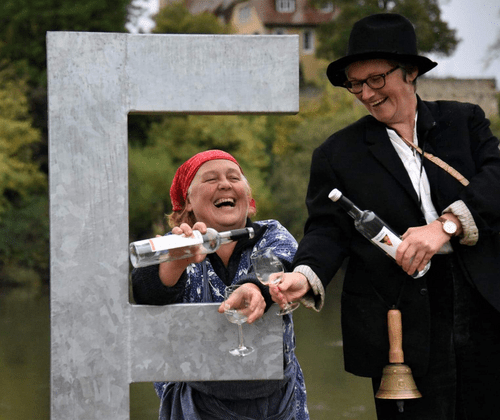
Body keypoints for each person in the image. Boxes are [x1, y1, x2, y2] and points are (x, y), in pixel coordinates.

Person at [271, 13, 500, 420]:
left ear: (410, 72)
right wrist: (304, 275)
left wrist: (445, 226)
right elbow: (326, 231)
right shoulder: (337, 154)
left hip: (484, 304)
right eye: (355, 84)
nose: (366, 93)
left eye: (376, 79)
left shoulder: (463, 121)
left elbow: (496, 178)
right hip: (399, 324)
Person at [131, 149, 309, 420]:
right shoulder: (175, 242)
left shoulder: (271, 233)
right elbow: (146, 293)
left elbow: (286, 261)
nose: (225, 184)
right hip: (196, 402)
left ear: (248, 198)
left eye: (234, 177)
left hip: (276, 401)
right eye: (211, 179)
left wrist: (257, 288)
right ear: (188, 202)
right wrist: (177, 262)